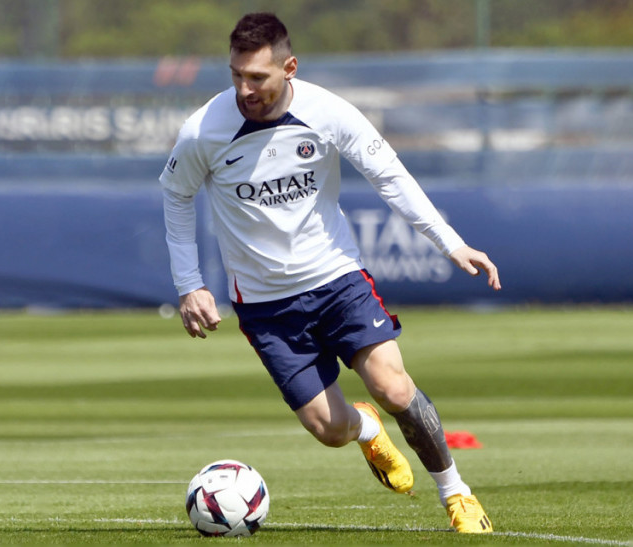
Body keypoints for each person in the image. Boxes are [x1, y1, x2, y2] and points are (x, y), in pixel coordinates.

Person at [160, 12, 500, 534]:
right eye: (236, 75)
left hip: (337, 280)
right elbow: (176, 195)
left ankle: (456, 492)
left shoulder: (329, 112)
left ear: (290, 68)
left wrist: (450, 242)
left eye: (257, 77)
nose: (245, 89)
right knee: (328, 429)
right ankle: (366, 429)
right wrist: (190, 285)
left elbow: (390, 177)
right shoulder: (203, 130)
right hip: (266, 307)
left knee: (393, 387)